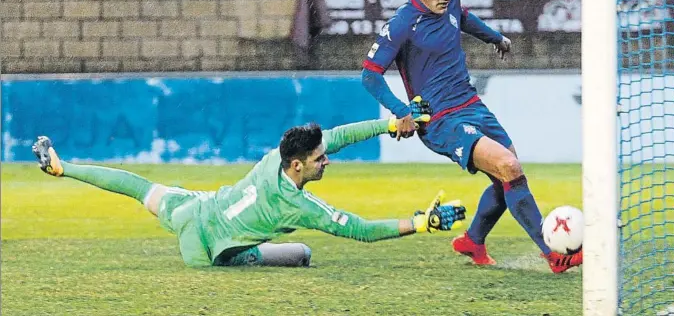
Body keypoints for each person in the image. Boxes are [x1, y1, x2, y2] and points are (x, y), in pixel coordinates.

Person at [360, 0, 582, 273]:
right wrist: (401, 110)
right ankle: (554, 254)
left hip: (472, 105)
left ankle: (473, 241)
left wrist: (495, 38)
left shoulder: (451, 4)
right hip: (440, 120)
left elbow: (464, 19)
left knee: (505, 176)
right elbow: (370, 75)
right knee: (508, 166)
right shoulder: (403, 24)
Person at [31, 115, 465, 268]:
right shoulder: (298, 205)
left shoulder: (277, 155)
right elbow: (361, 230)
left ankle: (61, 165)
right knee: (302, 255)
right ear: (299, 165)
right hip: (208, 249)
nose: (326, 159)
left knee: (138, 187)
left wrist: (390, 126)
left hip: (192, 208)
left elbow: (342, 135)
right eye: (320, 159)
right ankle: (242, 256)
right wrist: (420, 224)